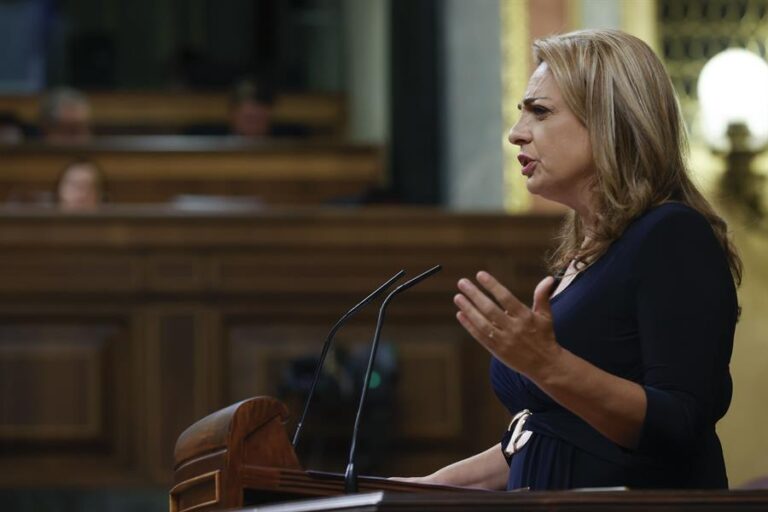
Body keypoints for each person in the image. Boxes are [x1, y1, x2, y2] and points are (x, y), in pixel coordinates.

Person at [398, 29, 741, 490]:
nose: (516, 132)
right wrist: (404, 492)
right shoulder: (586, 257)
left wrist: (549, 365)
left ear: (610, 121)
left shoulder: (671, 234)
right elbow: (544, 436)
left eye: (539, 112)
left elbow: (680, 422)